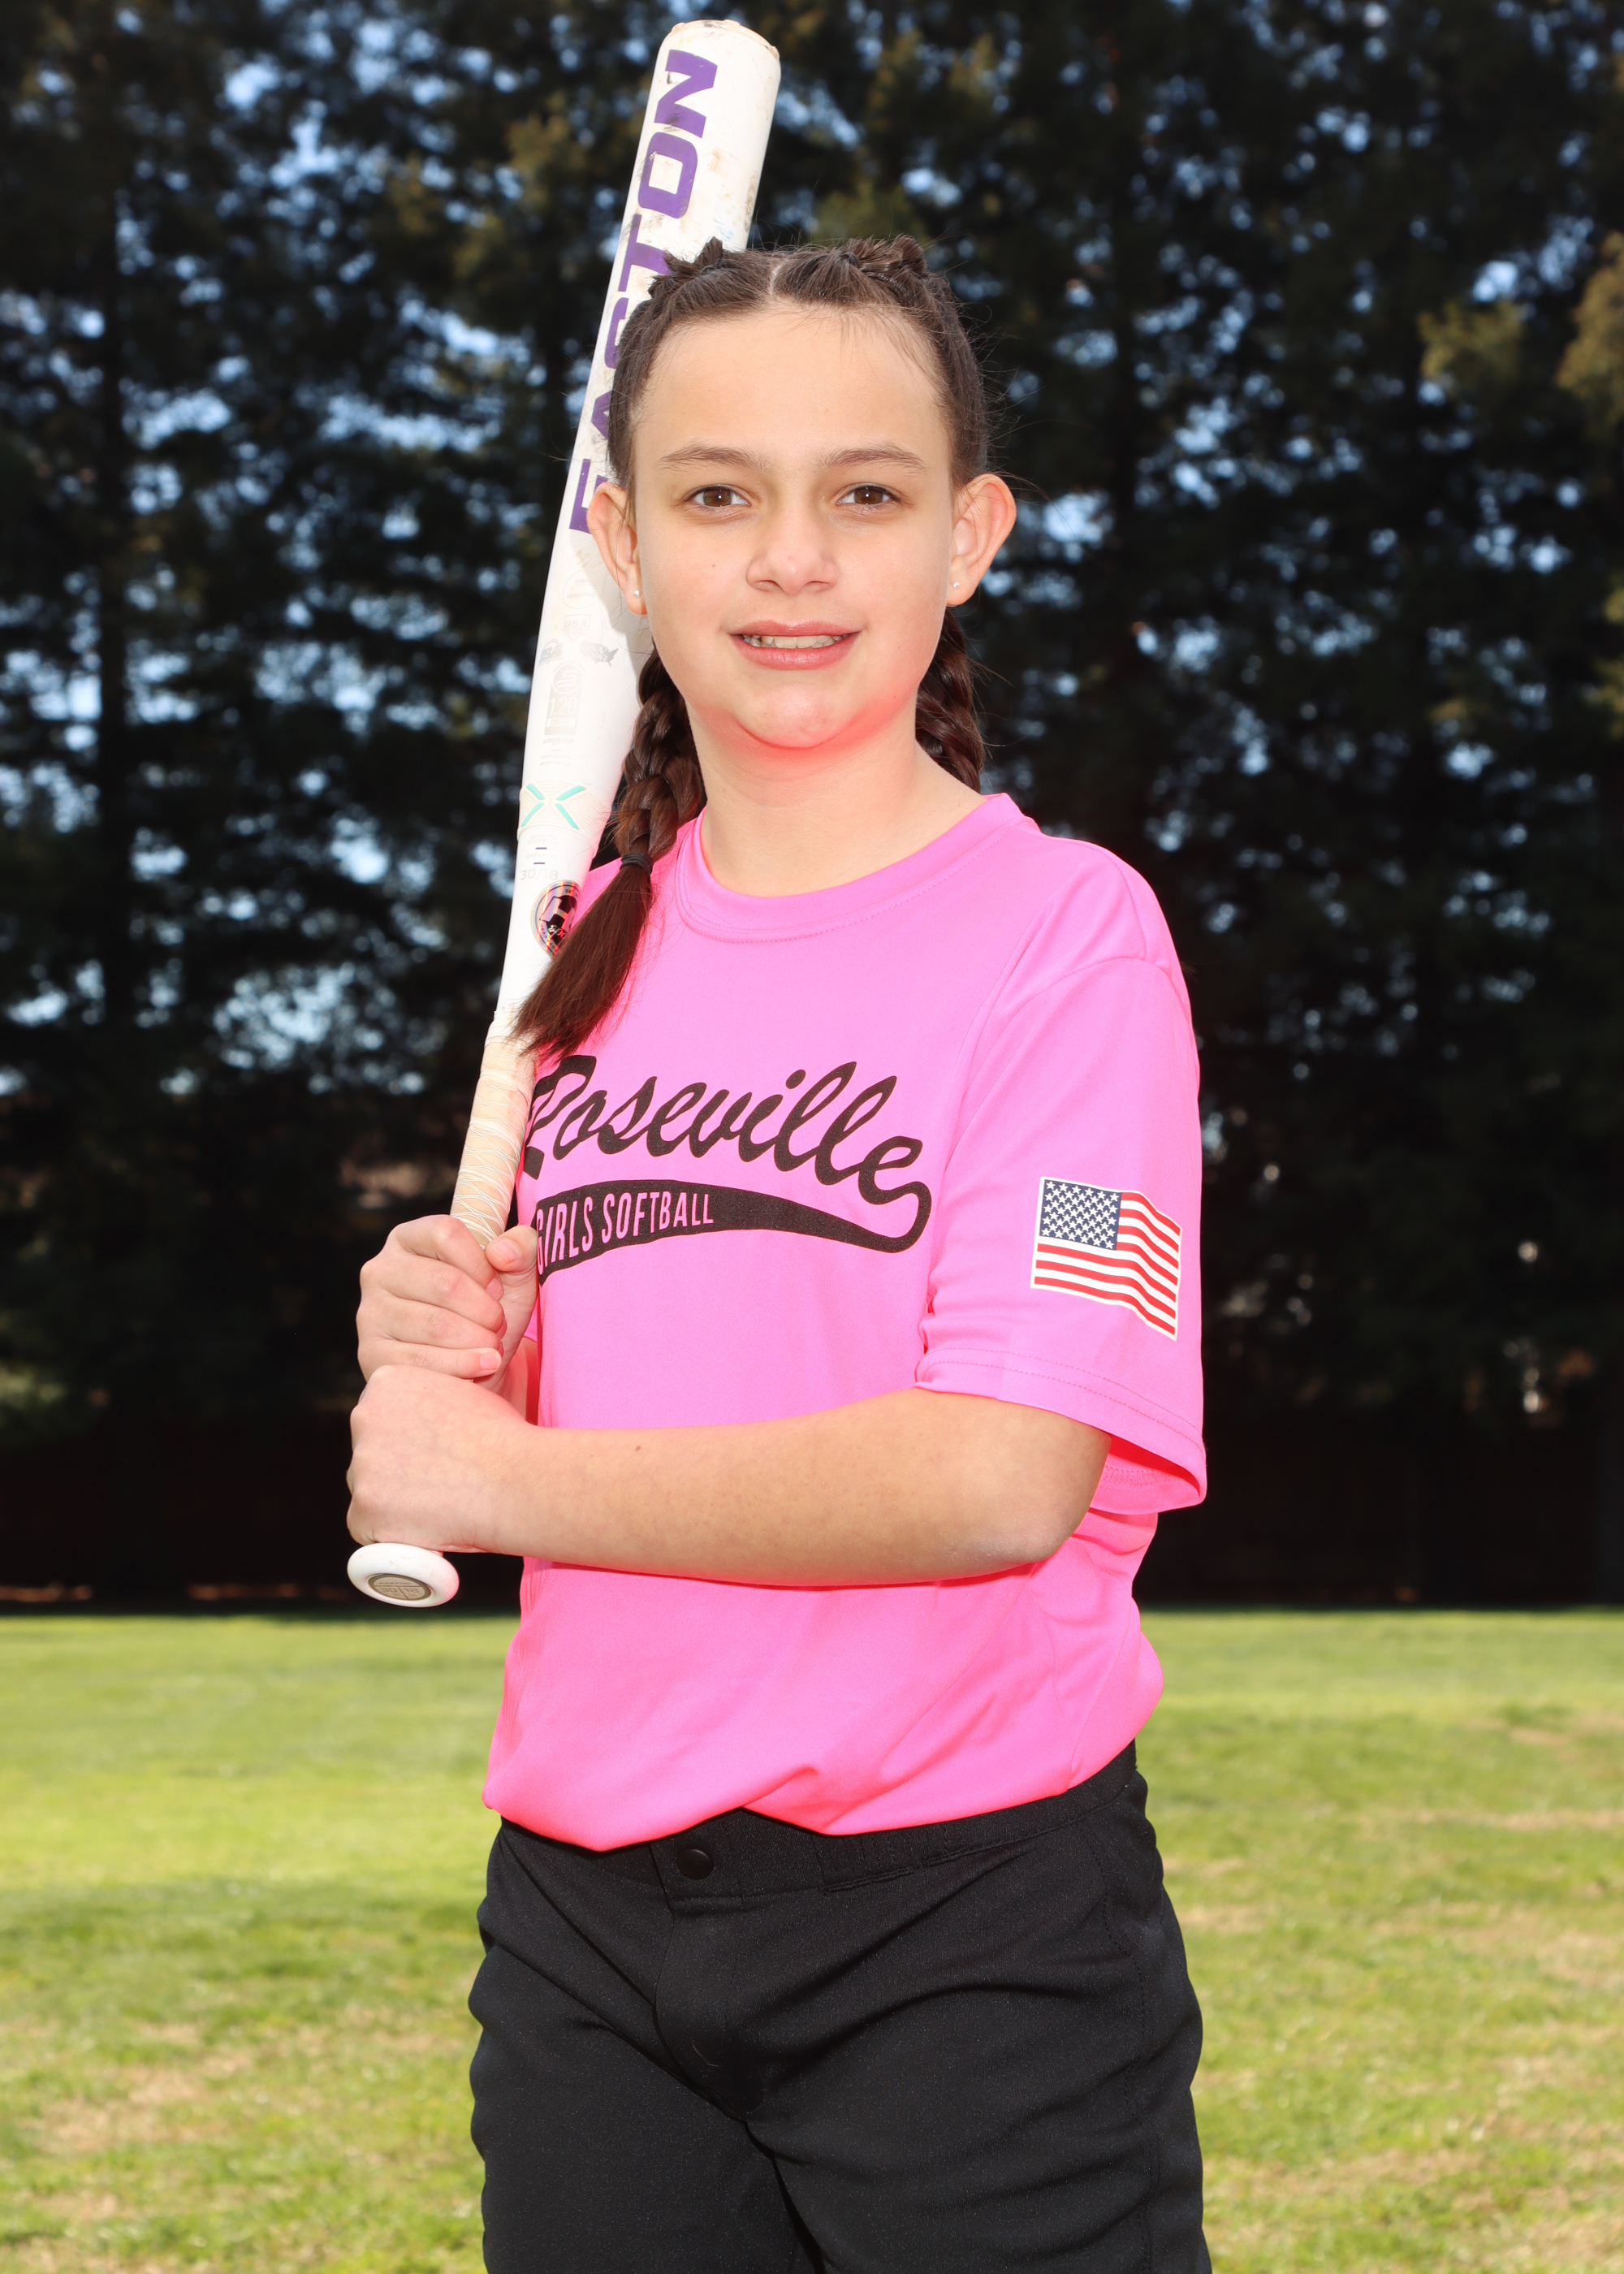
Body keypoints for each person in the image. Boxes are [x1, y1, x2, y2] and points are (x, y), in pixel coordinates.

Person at [348, 236, 1210, 2273]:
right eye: (720, 492)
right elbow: (655, 1367)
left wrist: (504, 1474)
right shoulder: (587, 946)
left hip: (967, 1931)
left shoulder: (1073, 943)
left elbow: (1000, 1471)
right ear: (625, 544)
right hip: (584, 1929)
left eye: (866, 491)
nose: (793, 557)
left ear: (968, 537)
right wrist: (471, 1336)